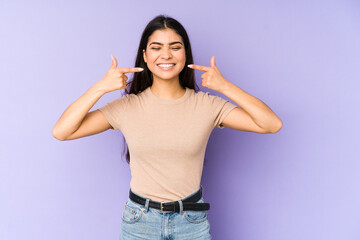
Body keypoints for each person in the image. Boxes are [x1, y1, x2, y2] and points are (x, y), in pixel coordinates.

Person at [52, 14, 282, 240]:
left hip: (191, 222)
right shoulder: (127, 107)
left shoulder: (207, 105)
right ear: (145, 55)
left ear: (185, 54)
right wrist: (100, 88)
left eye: (175, 46)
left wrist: (226, 87)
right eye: (156, 47)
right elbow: (62, 131)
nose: (166, 55)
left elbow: (271, 124)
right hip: (139, 222)